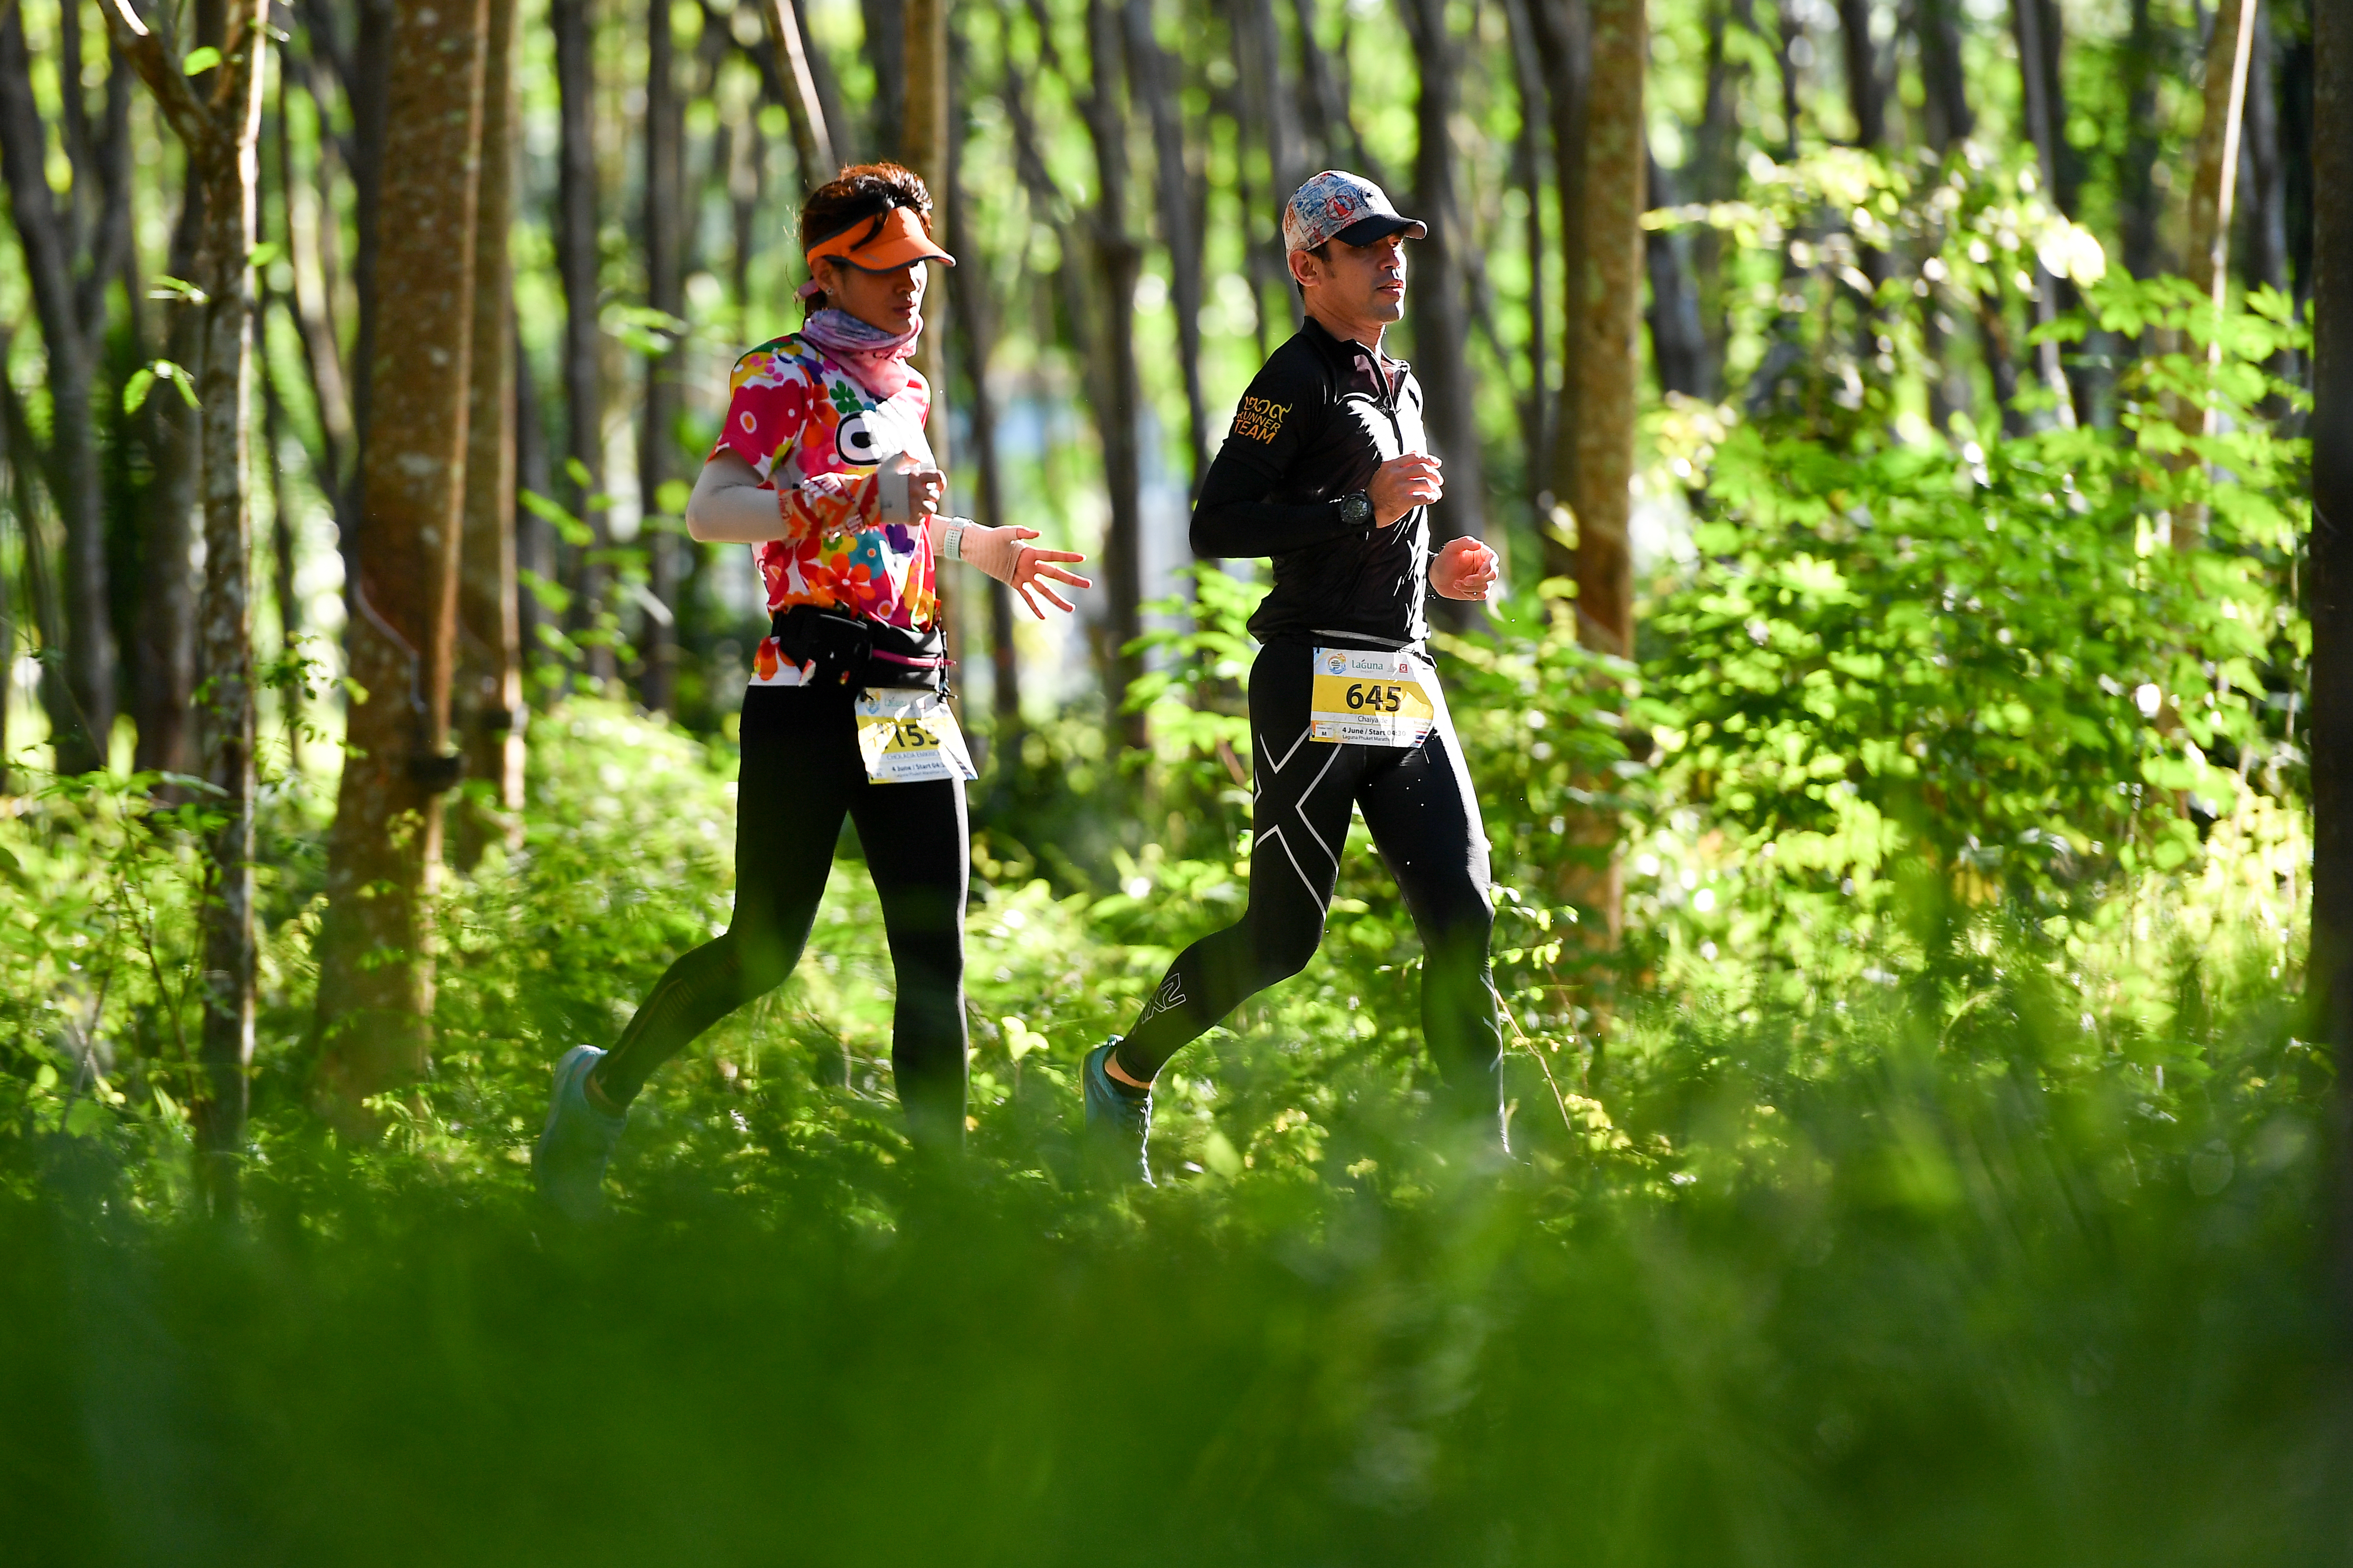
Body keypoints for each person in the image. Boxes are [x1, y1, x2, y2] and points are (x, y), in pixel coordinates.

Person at [535, 163, 1091, 1217]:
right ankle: (599, 1093)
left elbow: (900, 521)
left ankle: (943, 1214)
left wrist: (978, 548)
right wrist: (846, 493)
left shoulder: (905, 384)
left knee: (934, 952)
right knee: (763, 948)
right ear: (826, 272)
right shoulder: (777, 375)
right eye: (884, 269)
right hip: (808, 690)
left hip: (910, 693)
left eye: (919, 266)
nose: (910, 286)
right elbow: (715, 509)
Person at [1082, 171, 1503, 1184]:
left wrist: (1440, 570)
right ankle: (1124, 1072)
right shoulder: (1291, 380)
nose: (1392, 261)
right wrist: (1361, 511)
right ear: (1308, 268)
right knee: (1280, 939)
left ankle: (1481, 1169)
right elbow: (1217, 523)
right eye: (1367, 248)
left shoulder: (1394, 381)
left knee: (1463, 912)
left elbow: (1388, 522)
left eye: (1397, 244)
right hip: (1312, 679)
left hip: (1403, 673)